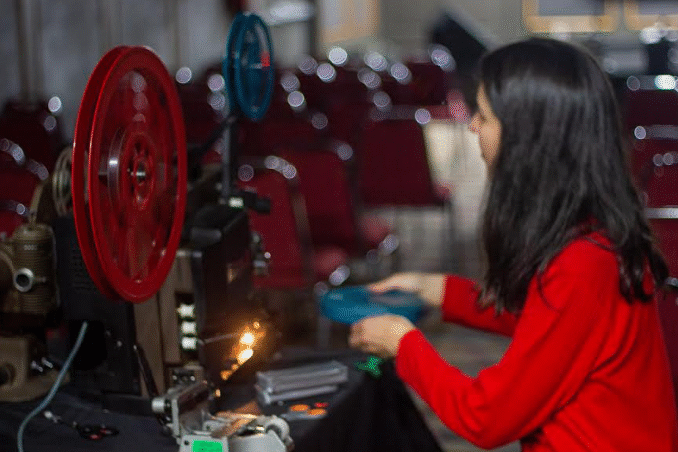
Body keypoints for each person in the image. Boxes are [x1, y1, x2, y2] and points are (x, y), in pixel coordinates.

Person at [348, 37, 678, 451]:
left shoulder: (583, 262)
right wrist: (438, 290)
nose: (473, 126)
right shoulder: (591, 232)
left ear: (529, 141)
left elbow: (486, 416)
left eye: (485, 117)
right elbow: (543, 321)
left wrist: (403, 344)